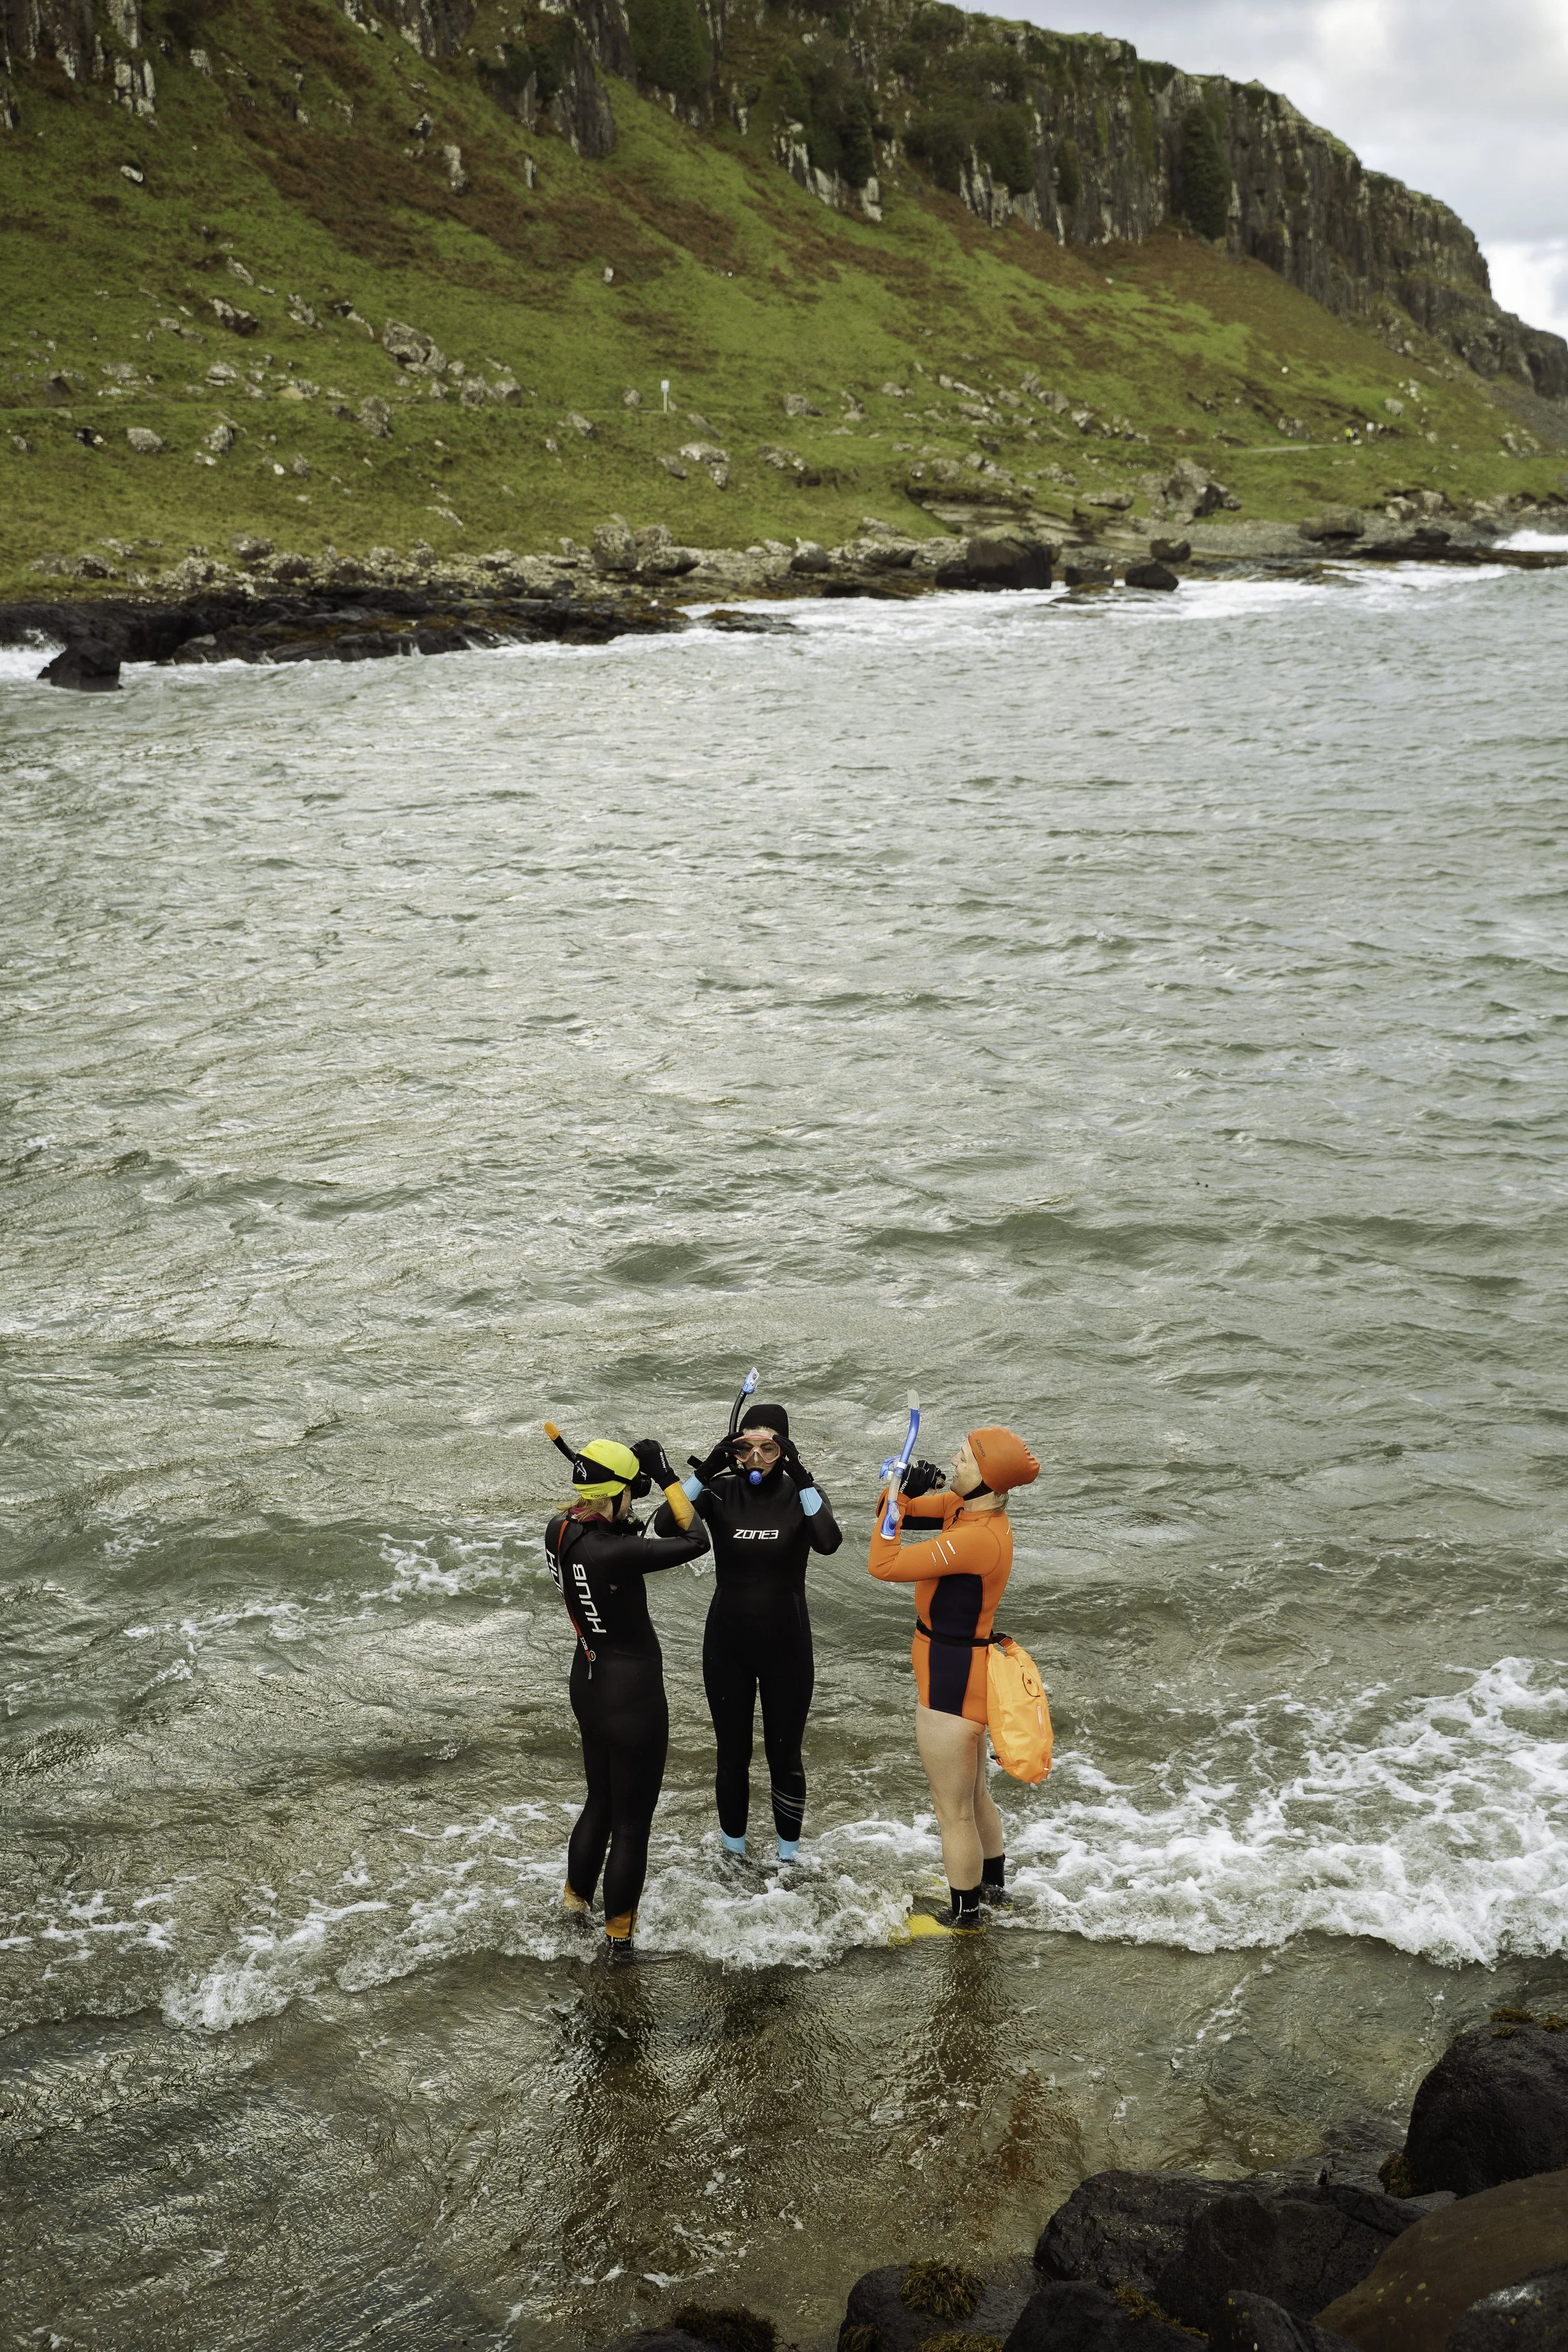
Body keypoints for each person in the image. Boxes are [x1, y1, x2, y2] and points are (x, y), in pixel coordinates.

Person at [545, 1433, 709, 1963]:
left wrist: (622, 1501)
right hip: (632, 1695)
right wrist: (665, 1476)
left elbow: (608, 1528)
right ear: (614, 1496)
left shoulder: (561, 1530)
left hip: (588, 1683)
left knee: (599, 1800)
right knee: (632, 1823)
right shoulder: (617, 1552)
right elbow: (694, 1539)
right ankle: (619, 1943)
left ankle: (574, 1907)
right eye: (630, 1496)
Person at [868, 1425, 1040, 1931]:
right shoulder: (967, 1511)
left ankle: (964, 1917)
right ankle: (992, 1892)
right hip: (963, 1665)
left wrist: (900, 1501)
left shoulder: (974, 1539)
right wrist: (902, 1491)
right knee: (973, 1796)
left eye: (963, 1460)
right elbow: (887, 1509)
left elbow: (883, 1563)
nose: (953, 1461)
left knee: (953, 1812)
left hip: (951, 1676)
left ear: (987, 1480)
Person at [656, 1402, 842, 1862]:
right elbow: (664, 1525)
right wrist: (708, 1468)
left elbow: (829, 1542)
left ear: (785, 1449)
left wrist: (800, 1476)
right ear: (734, 1450)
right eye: (745, 1446)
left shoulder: (804, 1495)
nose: (756, 1456)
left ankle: (789, 1860)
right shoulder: (718, 1493)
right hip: (727, 1645)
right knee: (731, 1756)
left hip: (788, 1646)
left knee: (786, 1759)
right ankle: (732, 1855)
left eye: (769, 1447)